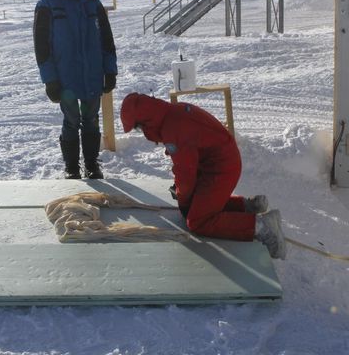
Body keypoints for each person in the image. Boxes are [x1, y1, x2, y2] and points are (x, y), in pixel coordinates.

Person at [120, 93, 286, 260]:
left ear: (146, 120)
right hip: (219, 162)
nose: (142, 132)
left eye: (138, 128)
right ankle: (249, 206)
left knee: (198, 220)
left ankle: (262, 227)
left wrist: (183, 199)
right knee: (197, 204)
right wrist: (185, 195)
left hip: (221, 169)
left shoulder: (173, 129)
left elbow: (186, 172)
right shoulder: (172, 113)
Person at [33, 0, 118, 179]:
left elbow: (107, 39)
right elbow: (41, 48)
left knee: (91, 119)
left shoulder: (92, 0)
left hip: (91, 73)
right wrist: (49, 79)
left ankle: (92, 164)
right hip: (66, 76)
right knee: (71, 121)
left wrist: (110, 69)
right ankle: (72, 168)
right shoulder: (47, 3)